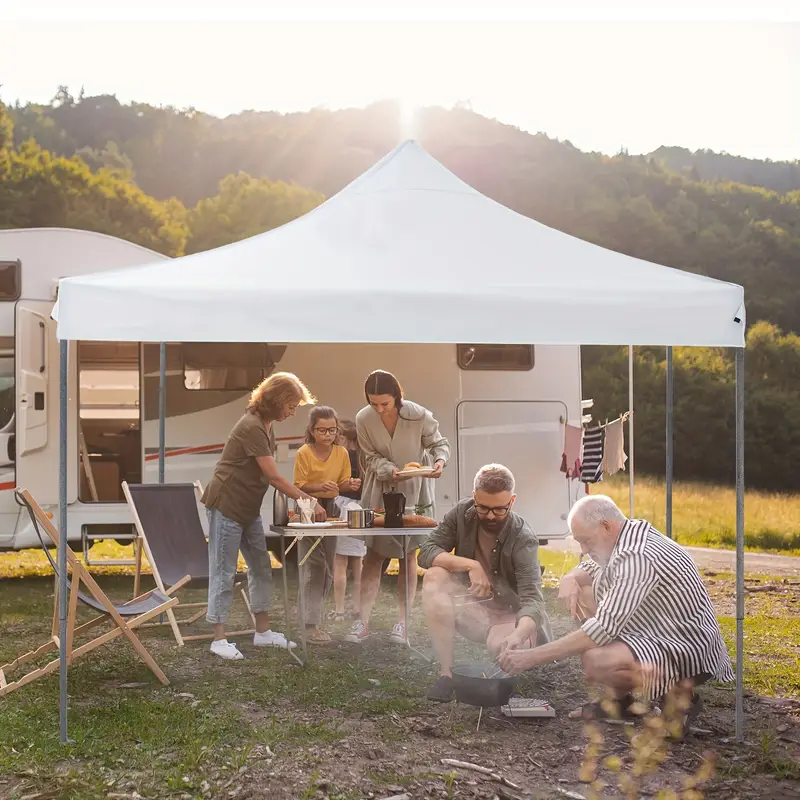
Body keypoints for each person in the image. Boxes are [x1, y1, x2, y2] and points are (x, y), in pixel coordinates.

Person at [497, 495, 734, 736]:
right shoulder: (626, 536)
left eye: (586, 541)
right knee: (586, 592)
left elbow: (600, 631)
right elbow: (594, 567)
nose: (584, 550)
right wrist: (571, 577)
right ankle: (621, 703)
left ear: (606, 526)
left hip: (685, 651)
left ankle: (679, 699)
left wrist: (531, 657)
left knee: (595, 661)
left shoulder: (638, 556)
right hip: (660, 631)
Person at [201, 372, 325, 660]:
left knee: (261, 567)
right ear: (276, 401)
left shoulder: (266, 425)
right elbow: (274, 477)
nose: (293, 411)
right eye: (291, 405)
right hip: (227, 505)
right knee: (224, 572)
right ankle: (218, 639)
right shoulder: (252, 426)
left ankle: (263, 633)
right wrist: (309, 500)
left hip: (247, 508)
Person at [417, 464, 553, 702]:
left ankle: (505, 667)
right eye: (484, 508)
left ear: (512, 501)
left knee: (502, 648)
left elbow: (533, 601)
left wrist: (519, 634)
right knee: (434, 576)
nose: (490, 516)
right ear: (474, 498)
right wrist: (471, 565)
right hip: (470, 610)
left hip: (508, 616)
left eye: (499, 510)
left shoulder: (523, 538)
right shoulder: (462, 513)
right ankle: (446, 674)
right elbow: (426, 551)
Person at [344, 370, 450, 645]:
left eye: (385, 404)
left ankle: (402, 623)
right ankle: (362, 622)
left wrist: (439, 462)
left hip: (415, 489)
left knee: (409, 555)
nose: (379, 409)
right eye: (373, 403)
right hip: (380, 490)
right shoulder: (363, 418)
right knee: (374, 556)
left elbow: (439, 444)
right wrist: (389, 469)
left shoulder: (418, 415)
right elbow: (369, 456)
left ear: (397, 397)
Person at [292, 406, 360, 644]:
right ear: (312, 430)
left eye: (332, 430)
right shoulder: (304, 452)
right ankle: (310, 625)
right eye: (322, 430)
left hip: (331, 508)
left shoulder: (341, 452)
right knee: (315, 564)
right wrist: (321, 488)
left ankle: (311, 618)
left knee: (329, 567)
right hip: (308, 508)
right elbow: (298, 486)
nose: (328, 434)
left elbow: (340, 485)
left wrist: (348, 486)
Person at [329, 419, 365, 621]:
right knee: (358, 563)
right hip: (361, 509)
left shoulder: (339, 456)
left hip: (342, 507)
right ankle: (359, 607)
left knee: (340, 563)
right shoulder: (364, 457)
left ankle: (340, 609)